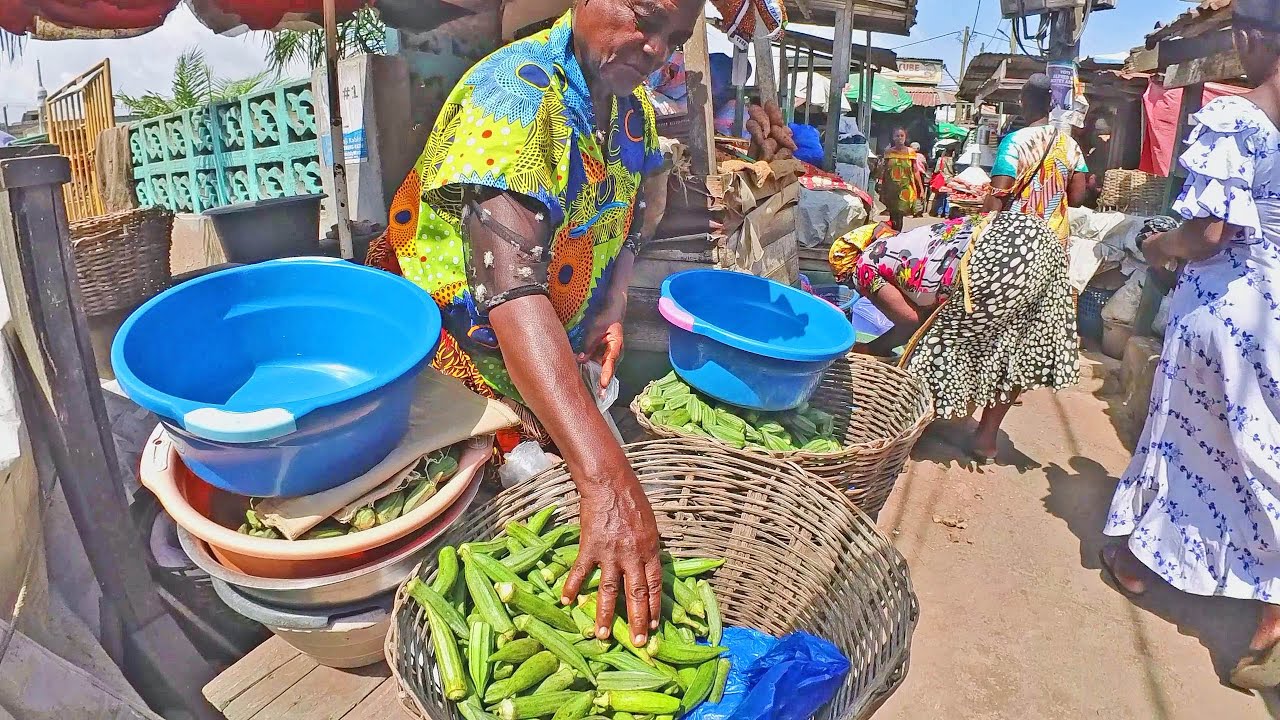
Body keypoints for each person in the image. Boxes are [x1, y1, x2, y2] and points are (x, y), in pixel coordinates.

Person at [363, 0, 703, 645]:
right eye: (646, 19)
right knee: (485, 543)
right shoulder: (517, 97)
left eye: (674, 38)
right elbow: (510, 288)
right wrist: (607, 479)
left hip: (548, 347)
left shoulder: (629, 107)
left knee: (553, 519)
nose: (656, 48)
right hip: (458, 365)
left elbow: (640, 206)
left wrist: (610, 300)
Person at [1098, 0, 1280, 689]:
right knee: (1262, 447)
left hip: (1227, 309)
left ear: (1247, 37)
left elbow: (1208, 236)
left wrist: (1154, 245)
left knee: (1184, 438)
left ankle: (1140, 563)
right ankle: (1268, 614)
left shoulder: (1240, 119)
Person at [829, 212, 1079, 463]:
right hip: (1039, 240)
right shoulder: (912, 240)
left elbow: (912, 323)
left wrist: (871, 348)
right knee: (1014, 343)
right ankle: (986, 439)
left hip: (997, 250)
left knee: (937, 345)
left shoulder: (864, 265)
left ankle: (907, 437)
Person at [983, 73, 1090, 242]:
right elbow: (1077, 198)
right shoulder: (1071, 145)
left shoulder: (1014, 141)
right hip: (1054, 242)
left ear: (1023, 102)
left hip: (1016, 241)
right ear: (1050, 104)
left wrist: (981, 229)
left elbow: (998, 195)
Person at [878, 128, 923, 231]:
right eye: (897, 136)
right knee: (893, 213)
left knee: (901, 212)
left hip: (905, 188)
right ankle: (894, 232)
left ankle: (897, 232)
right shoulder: (888, 152)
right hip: (891, 188)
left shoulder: (911, 152)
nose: (899, 138)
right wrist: (881, 183)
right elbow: (884, 170)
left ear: (905, 137)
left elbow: (915, 171)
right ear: (893, 138)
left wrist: (920, 188)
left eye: (902, 135)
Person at [928, 147, 955, 217]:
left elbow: (936, 170)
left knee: (940, 196)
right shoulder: (953, 160)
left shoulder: (941, 159)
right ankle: (947, 213)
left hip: (942, 179)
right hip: (950, 180)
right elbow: (955, 171)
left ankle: (939, 213)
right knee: (948, 197)